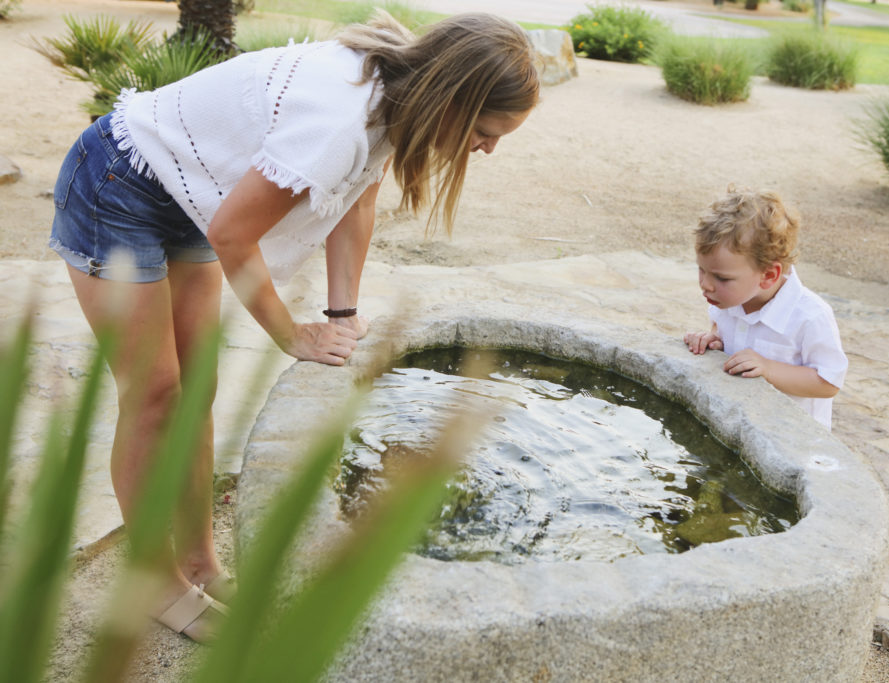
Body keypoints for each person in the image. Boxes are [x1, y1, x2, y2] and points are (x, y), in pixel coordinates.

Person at [48, 11, 539, 643]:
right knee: (155, 393)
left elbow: (358, 198)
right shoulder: (338, 121)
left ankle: (198, 560)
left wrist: (342, 315)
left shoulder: (397, 98)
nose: (488, 149)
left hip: (188, 194)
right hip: (118, 184)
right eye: (485, 130)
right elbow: (233, 235)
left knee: (194, 384)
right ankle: (152, 578)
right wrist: (292, 334)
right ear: (452, 97)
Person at [682, 187, 847, 431]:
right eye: (701, 270)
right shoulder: (728, 300)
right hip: (742, 426)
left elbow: (828, 382)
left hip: (792, 438)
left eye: (721, 278)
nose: (705, 285)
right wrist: (713, 339)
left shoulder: (810, 317)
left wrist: (769, 369)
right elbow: (721, 327)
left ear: (768, 275)